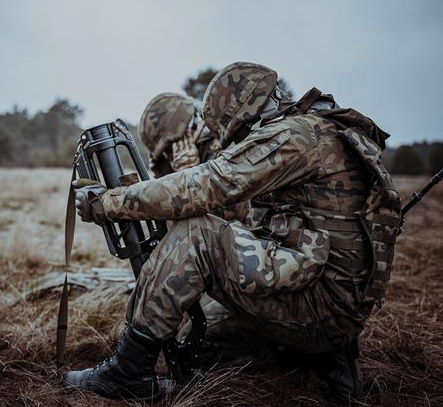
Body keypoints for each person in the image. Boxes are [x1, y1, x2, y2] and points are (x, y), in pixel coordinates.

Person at [64, 62, 401, 402]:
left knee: (198, 233)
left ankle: (127, 372)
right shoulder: (316, 130)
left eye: (238, 134)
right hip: (325, 303)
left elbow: (207, 187)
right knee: (196, 332)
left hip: (317, 308)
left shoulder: (294, 136)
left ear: (248, 116)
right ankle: (312, 354)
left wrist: (109, 202)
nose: (238, 144)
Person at [138, 92, 218, 178]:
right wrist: (163, 174)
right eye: (165, 151)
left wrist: (189, 174)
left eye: (168, 148)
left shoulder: (222, 149)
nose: (170, 155)